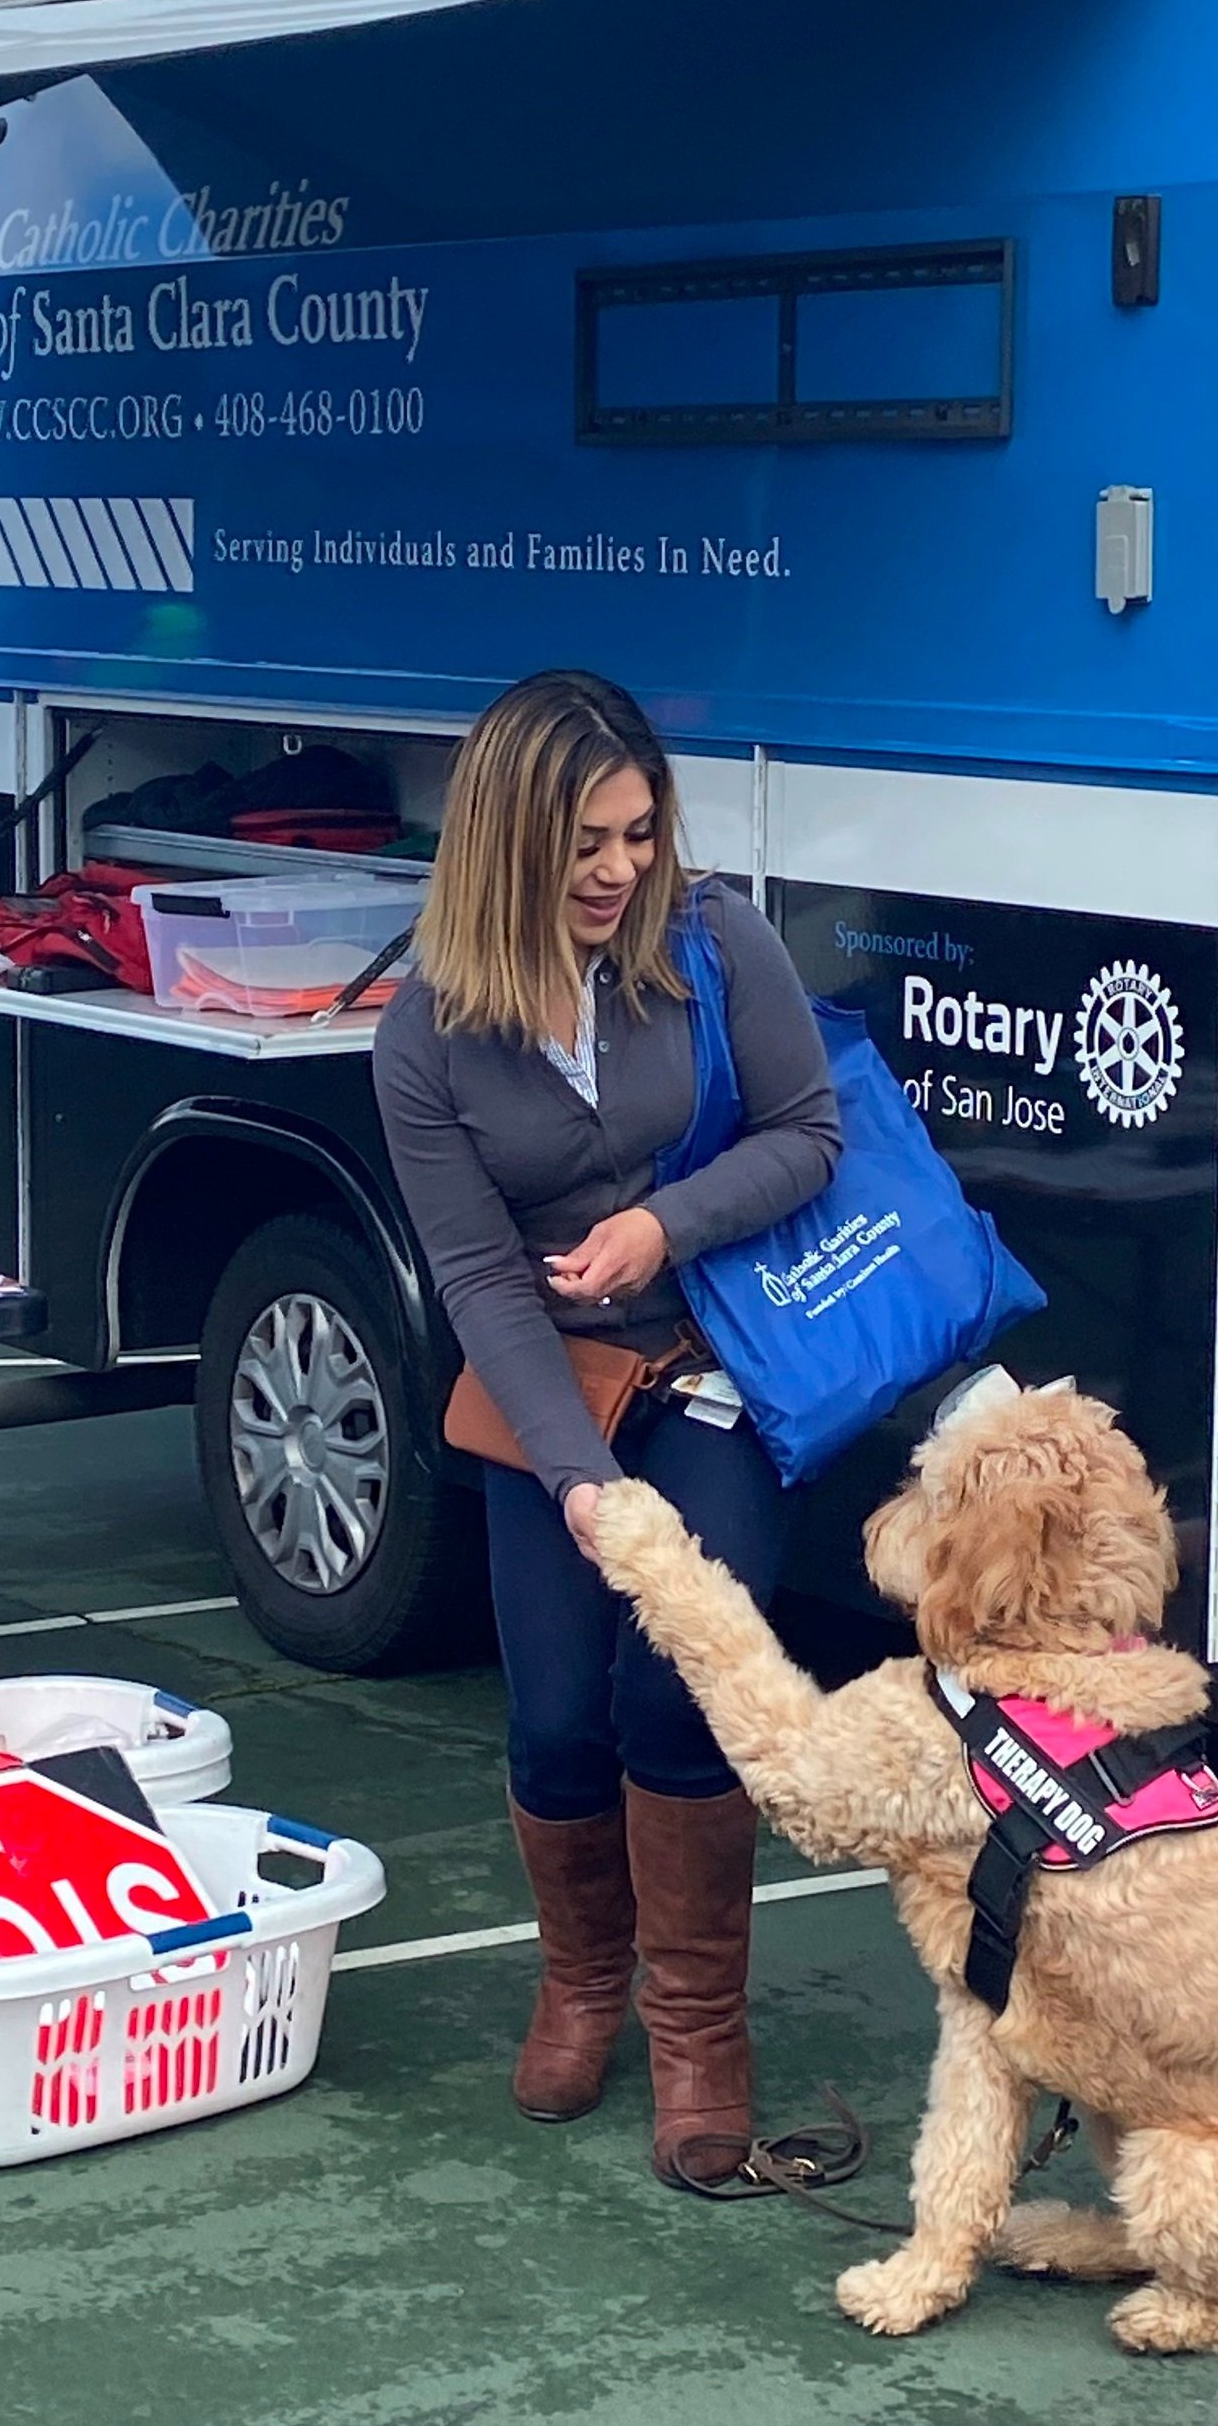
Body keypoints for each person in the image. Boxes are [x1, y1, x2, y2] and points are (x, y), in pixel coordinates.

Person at [372, 670, 840, 2187]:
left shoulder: (713, 942)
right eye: (587, 840)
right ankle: (580, 1982)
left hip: (708, 1359)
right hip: (549, 1388)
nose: (621, 869)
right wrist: (573, 1483)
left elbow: (809, 1137)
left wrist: (660, 1226)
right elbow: (475, 1277)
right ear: (508, 838)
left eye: (641, 833)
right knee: (556, 1714)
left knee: (676, 1694)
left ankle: (699, 2027)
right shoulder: (428, 1029)